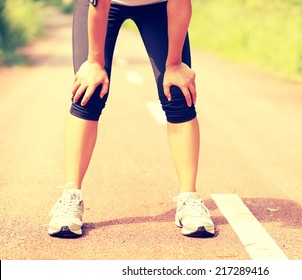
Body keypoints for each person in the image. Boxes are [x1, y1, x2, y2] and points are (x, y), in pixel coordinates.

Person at [48, 0, 214, 238]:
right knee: (89, 91)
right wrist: (95, 63)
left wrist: (175, 64)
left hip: (160, 6)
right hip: (104, 5)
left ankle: (189, 199)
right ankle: (70, 197)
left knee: (178, 93)